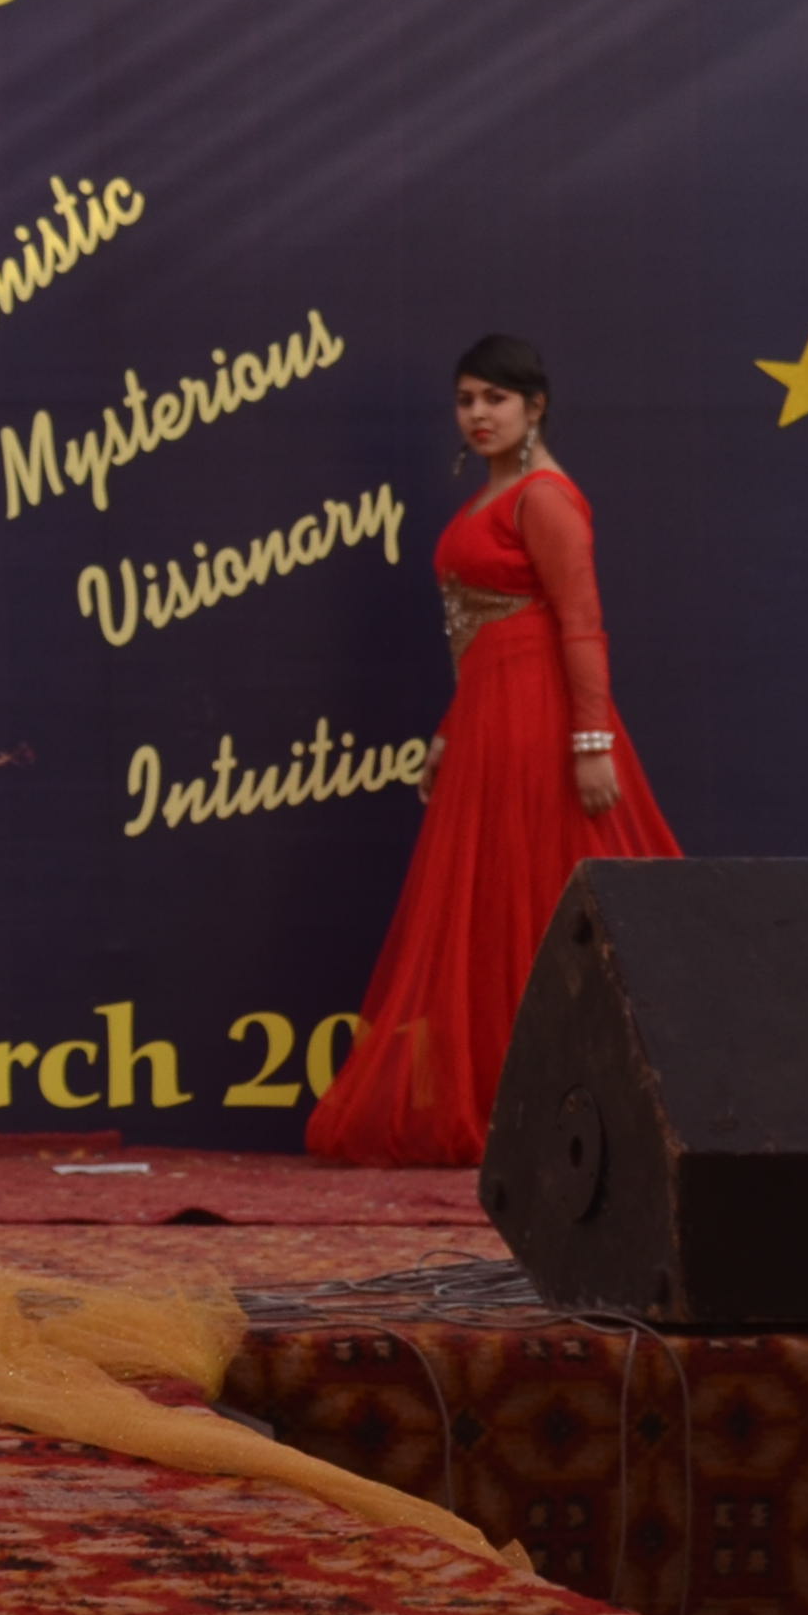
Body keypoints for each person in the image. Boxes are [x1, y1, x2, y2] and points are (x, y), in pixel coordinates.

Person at [310, 334, 682, 1164]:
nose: (477, 414)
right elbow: (477, 636)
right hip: (488, 717)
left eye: (495, 399)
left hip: (538, 719)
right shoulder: (497, 494)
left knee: (540, 893)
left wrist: (591, 741)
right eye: (466, 400)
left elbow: (580, 623)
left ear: (534, 406)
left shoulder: (545, 498)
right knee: (495, 904)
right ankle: (516, 1099)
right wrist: (451, 729)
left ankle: (588, 1104)